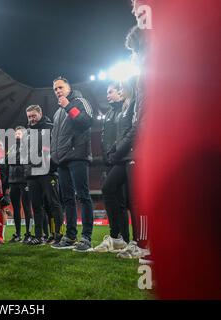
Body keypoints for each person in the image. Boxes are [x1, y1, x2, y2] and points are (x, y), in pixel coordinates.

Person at [110, 26, 150, 260]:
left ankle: (144, 244)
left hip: (145, 145)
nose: (131, 57)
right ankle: (138, 242)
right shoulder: (142, 79)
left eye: (133, 52)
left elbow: (143, 119)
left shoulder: (148, 75)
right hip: (141, 143)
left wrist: (127, 145)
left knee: (140, 199)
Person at [50, 77, 94, 252]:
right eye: (55, 89)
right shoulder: (57, 112)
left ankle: (86, 237)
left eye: (60, 87)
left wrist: (68, 106)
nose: (58, 91)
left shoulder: (79, 101)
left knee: (83, 196)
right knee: (67, 199)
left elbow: (86, 121)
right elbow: (55, 138)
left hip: (77, 156)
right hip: (62, 160)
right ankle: (70, 236)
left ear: (69, 87)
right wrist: (55, 156)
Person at [94, 81, 136, 253]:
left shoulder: (127, 109)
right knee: (114, 197)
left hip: (125, 157)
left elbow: (128, 134)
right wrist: (108, 156)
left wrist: (117, 152)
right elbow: (106, 139)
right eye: (107, 92)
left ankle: (130, 240)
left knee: (129, 202)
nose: (108, 95)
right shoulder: (110, 113)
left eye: (111, 91)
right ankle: (119, 238)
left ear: (121, 92)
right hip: (114, 159)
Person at [24, 105, 63, 246]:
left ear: (40, 113)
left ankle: (58, 234)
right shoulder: (27, 132)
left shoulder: (51, 127)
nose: (31, 119)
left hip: (47, 172)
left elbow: (56, 149)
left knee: (53, 204)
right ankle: (39, 236)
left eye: (34, 116)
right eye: (29, 117)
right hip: (32, 174)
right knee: (36, 206)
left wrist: (51, 166)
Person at [7, 126, 33, 243]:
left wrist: (12, 159)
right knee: (16, 209)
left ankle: (28, 233)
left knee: (27, 207)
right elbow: (8, 161)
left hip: (24, 180)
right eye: (16, 133)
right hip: (13, 181)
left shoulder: (27, 146)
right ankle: (17, 234)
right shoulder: (12, 147)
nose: (17, 135)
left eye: (20, 133)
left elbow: (23, 161)